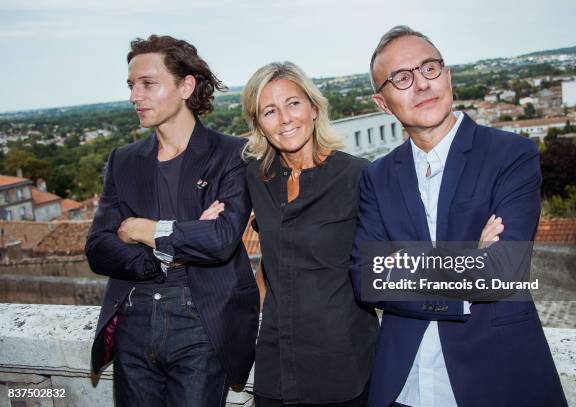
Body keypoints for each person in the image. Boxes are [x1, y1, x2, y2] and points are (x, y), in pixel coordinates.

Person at [350, 26, 567, 407]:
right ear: (382, 103)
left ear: (447, 76)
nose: (421, 84)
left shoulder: (511, 155)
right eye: (401, 78)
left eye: (429, 68)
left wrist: (407, 266)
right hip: (404, 385)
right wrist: (470, 258)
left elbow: (501, 270)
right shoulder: (377, 175)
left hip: (495, 377)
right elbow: (367, 276)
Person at [85, 35, 259, 407]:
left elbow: (221, 240)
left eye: (148, 84)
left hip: (200, 320)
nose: (135, 96)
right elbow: (98, 249)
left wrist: (140, 230)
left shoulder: (231, 154)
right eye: (132, 86)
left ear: (186, 86)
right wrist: (174, 247)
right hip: (133, 318)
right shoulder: (123, 160)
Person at [241, 61, 380, 406]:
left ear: (314, 108)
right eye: (269, 111)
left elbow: (395, 254)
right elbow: (272, 261)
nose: (285, 119)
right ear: (258, 123)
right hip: (276, 363)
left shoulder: (357, 176)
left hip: (341, 363)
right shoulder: (256, 179)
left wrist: (477, 260)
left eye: (293, 103)